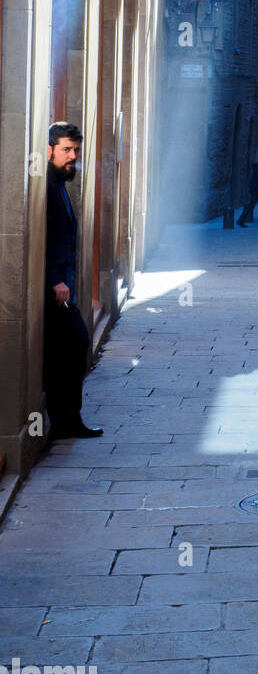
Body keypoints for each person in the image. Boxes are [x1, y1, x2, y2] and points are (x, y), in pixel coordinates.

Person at [44, 122, 102, 441]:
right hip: (55, 287)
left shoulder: (59, 183)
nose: (72, 157)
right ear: (49, 149)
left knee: (67, 350)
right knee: (74, 343)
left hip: (63, 284)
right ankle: (66, 420)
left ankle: (66, 420)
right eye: (66, 150)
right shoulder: (46, 186)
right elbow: (41, 239)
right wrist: (55, 280)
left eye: (76, 150)